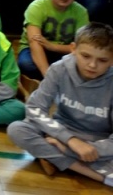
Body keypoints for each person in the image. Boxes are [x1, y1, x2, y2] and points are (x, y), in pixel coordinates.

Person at [7, 22, 113, 187]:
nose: (92, 65)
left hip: (97, 142)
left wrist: (78, 148)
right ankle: (94, 174)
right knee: (17, 129)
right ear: (73, 49)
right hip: (60, 133)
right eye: (86, 56)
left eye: (102, 60)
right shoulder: (59, 69)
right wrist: (69, 140)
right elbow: (34, 108)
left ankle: (54, 157)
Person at [18, 0, 90, 80]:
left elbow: (81, 47)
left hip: (63, 50)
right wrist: (48, 76)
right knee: (27, 65)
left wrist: (53, 47)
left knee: (80, 65)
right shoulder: (37, 7)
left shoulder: (81, 12)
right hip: (35, 48)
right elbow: (34, 43)